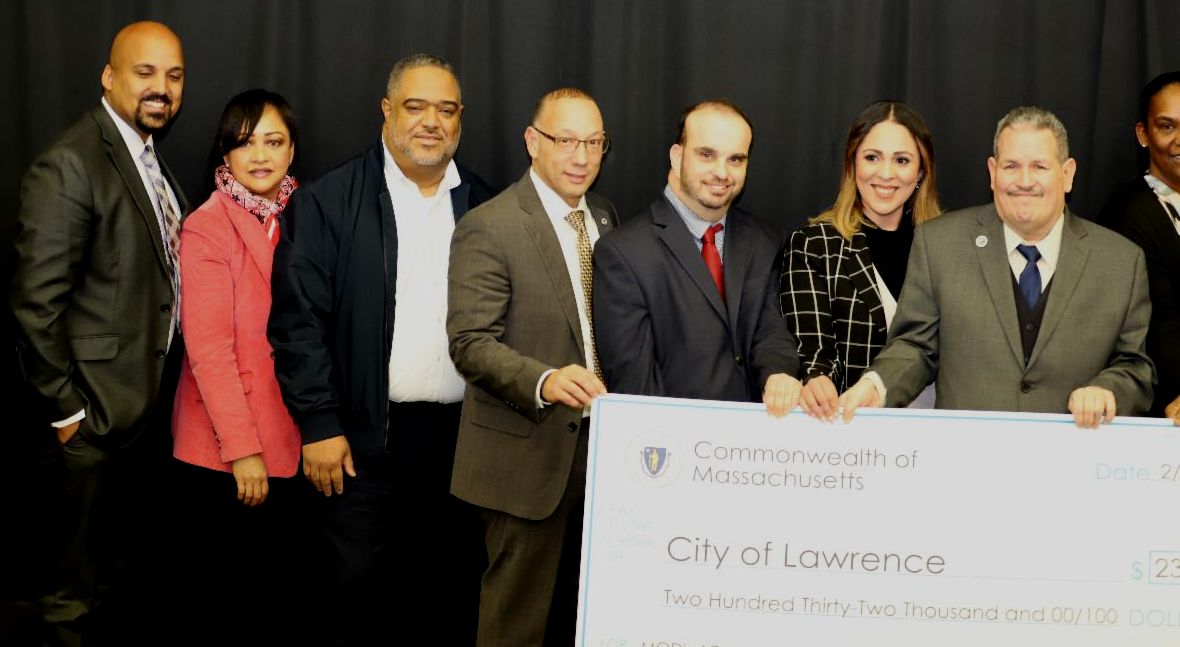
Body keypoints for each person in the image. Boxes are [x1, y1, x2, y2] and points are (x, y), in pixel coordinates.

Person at [268, 54, 492, 645]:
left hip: (460, 447)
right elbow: (297, 324)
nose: (431, 122)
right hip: (359, 444)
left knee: (445, 595)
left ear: (461, 119)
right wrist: (318, 422)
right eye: (416, 107)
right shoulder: (327, 202)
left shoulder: (485, 208)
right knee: (355, 597)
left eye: (446, 110)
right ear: (387, 111)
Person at [9, 21, 187, 645]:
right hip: (91, 424)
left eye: (174, 76)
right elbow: (36, 305)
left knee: (113, 586)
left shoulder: (145, 158)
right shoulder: (71, 162)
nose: (161, 89)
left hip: (138, 417)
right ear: (109, 77)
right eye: (145, 73)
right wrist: (66, 414)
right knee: (69, 600)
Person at [838, 106, 1154, 427]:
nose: (1024, 181)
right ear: (993, 172)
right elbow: (915, 347)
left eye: (1040, 166)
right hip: (966, 460)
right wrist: (877, 385)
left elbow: (1136, 366)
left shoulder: (1121, 261)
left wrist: (1107, 390)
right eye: (1011, 165)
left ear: (1068, 173)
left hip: (1073, 463)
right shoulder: (939, 244)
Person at [447, 87, 616, 646]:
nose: (582, 156)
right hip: (525, 457)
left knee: (586, 618)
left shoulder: (606, 220)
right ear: (531, 141)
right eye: (566, 140)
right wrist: (545, 380)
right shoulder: (489, 225)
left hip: (603, 456)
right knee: (515, 625)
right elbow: (471, 342)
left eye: (594, 142)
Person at [169, 89, 303, 642]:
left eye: (273, 141)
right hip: (224, 448)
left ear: (293, 151)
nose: (261, 156)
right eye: (245, 143)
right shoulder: (208, 225)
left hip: (292, 438)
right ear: (225, 152)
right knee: (223, 606)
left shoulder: (307, 216)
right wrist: (243, 450)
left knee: (277, 602)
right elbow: (209, 352)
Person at [593, 99, 801, 413]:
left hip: (757, 446)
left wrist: (779, 373)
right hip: (674, 447)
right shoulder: (623, 253)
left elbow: (770, 330)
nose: (722, 172)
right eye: (707, 155)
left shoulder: (766, 241)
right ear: (677, 157)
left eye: (736, 159)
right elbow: (635, 381)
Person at [780, 100, 942, 419]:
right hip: (852, 439)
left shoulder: (947, 247)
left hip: (936, 434)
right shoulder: (814, 244)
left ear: (921, 171)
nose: (885, 173)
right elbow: (814, 355)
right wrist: (817, 382)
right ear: (852, 164)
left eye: (902, 160)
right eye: (872, 157)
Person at [1098, 71, 1180, 420]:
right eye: (1167, 126)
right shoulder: (1127, 215)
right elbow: (1155, 328)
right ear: (1143, 135)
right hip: (1164, 414)